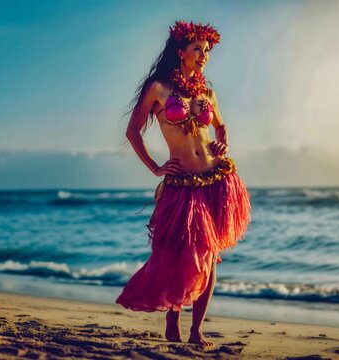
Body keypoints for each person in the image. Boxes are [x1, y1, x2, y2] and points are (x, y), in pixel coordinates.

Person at [115, 20, 252, 348]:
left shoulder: (208, 92)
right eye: (197, 50)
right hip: (180, 183)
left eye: (206, 51)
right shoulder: (159, 88)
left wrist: (224, 143)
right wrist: (155, 167)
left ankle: (196, 329)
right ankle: (173, 319)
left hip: (216, 179)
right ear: (181, 52)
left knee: (209, 253)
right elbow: (132, 131)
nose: (204, 55)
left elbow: (221, 126)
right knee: (177, 253)